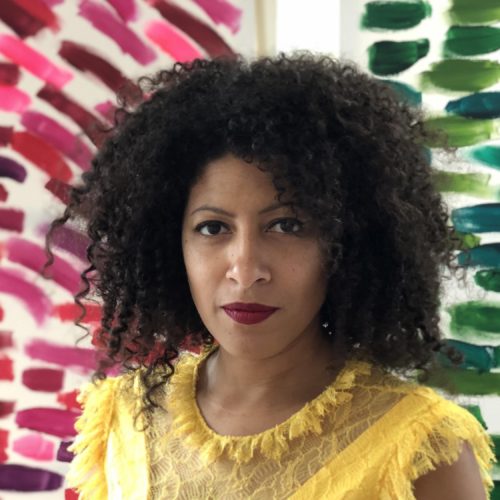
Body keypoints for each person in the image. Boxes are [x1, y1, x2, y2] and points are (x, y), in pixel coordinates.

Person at [46, 52, 495, 499]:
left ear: (348, 243)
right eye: (213, 228)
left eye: (286, 226)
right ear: (168, 242)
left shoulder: (421, 446)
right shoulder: (123, 418)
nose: (245, 272)